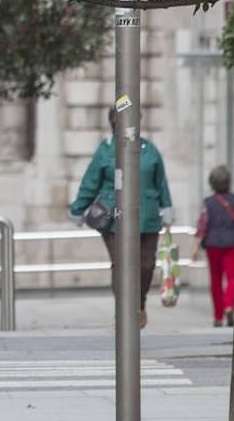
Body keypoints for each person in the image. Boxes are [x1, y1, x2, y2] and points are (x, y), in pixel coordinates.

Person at [69, 108, 173, 329]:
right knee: (122, 265)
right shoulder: (106, 151)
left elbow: (161, 182)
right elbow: (90, 182)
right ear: (113, 123)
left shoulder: (149, 150)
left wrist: (167, 208)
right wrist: (78, 209)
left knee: (146, 265)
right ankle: (124, 310)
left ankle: (139, 304)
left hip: (148, 219)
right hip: (114, 220)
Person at [193, 165, 234, 327]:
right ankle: (230, 305)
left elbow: (202, 226)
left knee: (215, 280)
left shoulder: (208, 203)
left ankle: (218, 316)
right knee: (233, 277)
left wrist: (195, 248)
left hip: (213, 245)